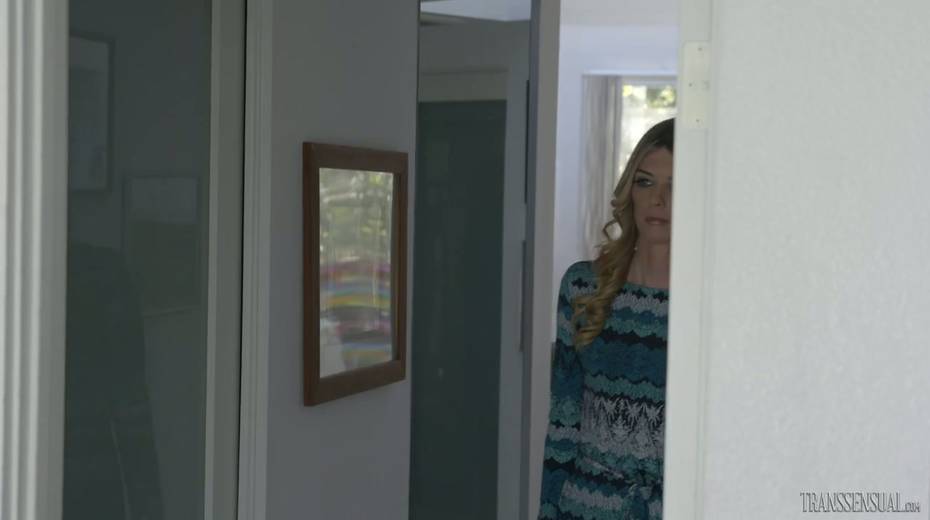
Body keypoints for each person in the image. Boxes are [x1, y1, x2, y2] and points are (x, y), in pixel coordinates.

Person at [539, 118, 674, 519]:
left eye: (676, 186)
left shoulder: (712, 306)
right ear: (630, 189)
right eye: (646, 182)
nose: (658, 200)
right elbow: (563, 421)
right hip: (584, 506)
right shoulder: (584, 287)